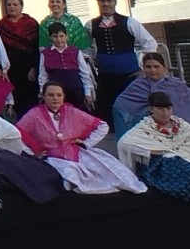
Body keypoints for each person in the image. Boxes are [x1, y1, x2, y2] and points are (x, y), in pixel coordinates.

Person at [16, 81, 146, 195]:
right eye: (51, 95)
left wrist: (86, 143)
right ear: (43, 96)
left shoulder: (71, 111)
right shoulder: (34, 114)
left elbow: (102, 126)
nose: (55, 98)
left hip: (76, 153)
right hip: (51, 158)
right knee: (70, 175)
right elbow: (16, 134)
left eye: (59, 95)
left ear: (63, 97)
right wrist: (33, 153)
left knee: (111, 170)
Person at [116, 91, 190, 201]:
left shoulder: (180, 124)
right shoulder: (144, 128)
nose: (165, 113)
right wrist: (150, 151)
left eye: (168, 108)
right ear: (151, 109)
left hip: (184, 162)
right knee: (188, 175)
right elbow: (124, 143)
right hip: (162, 167)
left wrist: (185, 153)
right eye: (160, 108)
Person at [89, 0, 157, 124]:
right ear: (98, 3)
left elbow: (149, 43)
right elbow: (88, 48)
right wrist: (95, 62)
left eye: (109, 1)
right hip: (105, 75)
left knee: (130, 105)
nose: (106, 4)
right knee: (108, 105)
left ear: (115, 2)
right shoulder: (91, 25)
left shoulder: (130, 22)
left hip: (128, 75)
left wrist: (144, 68)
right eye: (102, 1)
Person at [112, 51, 190, 138]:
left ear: (164, 68)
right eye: (148, 67)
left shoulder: (176, 85)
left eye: (156, 66)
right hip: (148, 131)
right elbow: (120, 105)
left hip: (179, 131)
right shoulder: (136, 86)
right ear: (143, 68)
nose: (152, 70)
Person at [0, 0, 40, 114]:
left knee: (30, 96)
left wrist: (33, 67)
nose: (12, 7)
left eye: (15, 4)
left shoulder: (31, 24)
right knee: (13, 96)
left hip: (28, 67)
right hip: (10, 68)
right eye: (9, 4)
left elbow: (36, 47)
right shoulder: (1, 25)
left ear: (21, 7)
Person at [38, 23, 94, 112]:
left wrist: (87, 93)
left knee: (78, 113)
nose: (59, 39)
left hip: (75, 90)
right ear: (50, 37)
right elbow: (43, 75)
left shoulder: (75, 51)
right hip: (56, 93)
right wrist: (43, 92)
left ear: (66, 36)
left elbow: (84, 73)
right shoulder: (45, 53)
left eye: (61, 36)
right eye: (55, 37)